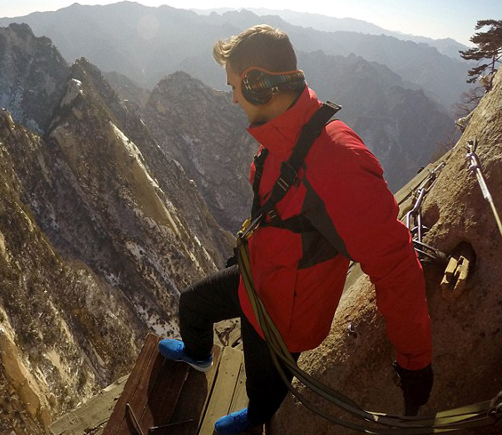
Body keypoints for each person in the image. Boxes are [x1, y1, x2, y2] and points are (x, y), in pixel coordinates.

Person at [158, 25, 433, 434]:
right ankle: (198, 355)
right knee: (192, 303)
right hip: (258, 278)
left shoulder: (337, 160)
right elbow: (278, 215)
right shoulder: (285, 135)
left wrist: (415, 363)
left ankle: (256, 415)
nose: (232, 99)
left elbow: (395, 266)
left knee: (263, 383)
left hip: (284, 317)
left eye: (234, 87)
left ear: (258, 85)